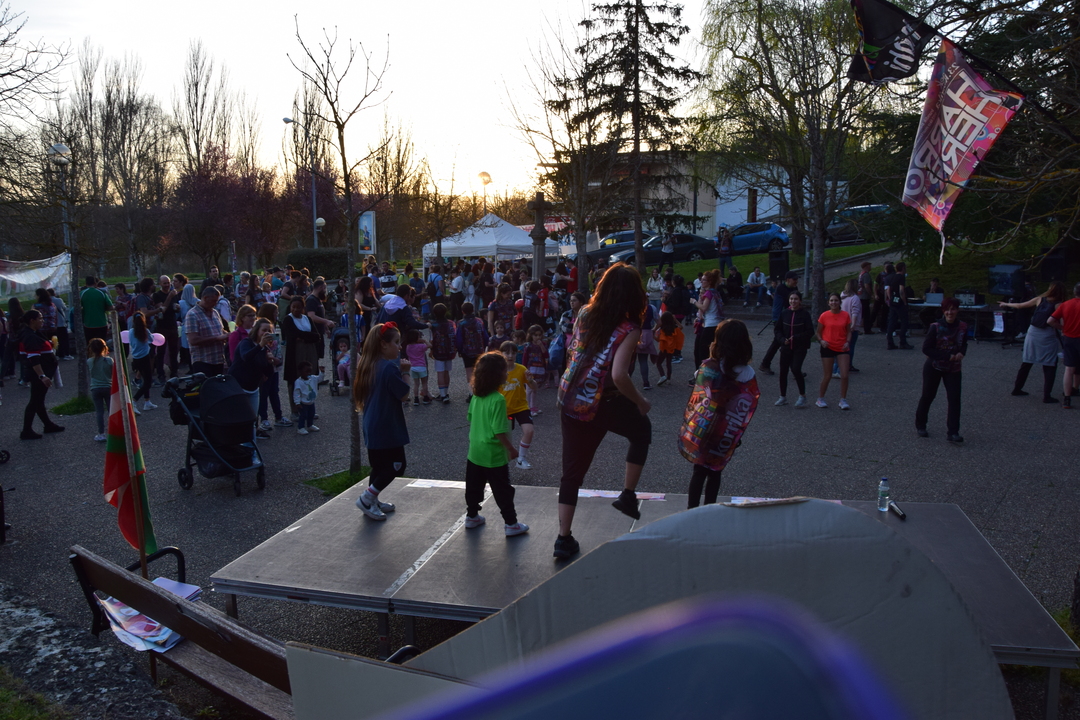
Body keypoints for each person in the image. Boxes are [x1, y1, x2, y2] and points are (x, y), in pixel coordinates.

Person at [554, 263, 651, 560]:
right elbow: (619, 375)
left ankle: (563, 539)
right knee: (642, 431)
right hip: (603, 400)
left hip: (571, 397)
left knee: (572, 473)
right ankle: (628, 494)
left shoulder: (584, 313)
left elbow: (575, 351)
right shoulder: (630, 329)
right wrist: (640, 401)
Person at [681, 319, 759, 508]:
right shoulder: (748, 373)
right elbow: (749, 402)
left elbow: (698, 390)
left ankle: (691, 510)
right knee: (715, 471)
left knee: (698, 471)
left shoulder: (709, 366)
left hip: (703, 427)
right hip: (727, 430)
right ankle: (710, 509)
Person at [464, 352, 530, 536]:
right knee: (502, 490)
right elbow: (499, 430)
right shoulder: (499, 399)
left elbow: (471, 417)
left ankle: (472, 516)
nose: (507, 373)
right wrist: (511, 449)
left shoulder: (476, 397)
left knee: (473, 486)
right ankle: (511, 524)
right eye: (504, 370)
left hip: (475, 452)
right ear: (496, 375)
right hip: (493, 454)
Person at [353, 322, 411, 520]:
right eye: (396, 342)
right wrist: (406, 371)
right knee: (397, 465)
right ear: (383, 344)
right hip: (387, 427)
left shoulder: (368, 366)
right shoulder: (388, 369)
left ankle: (372, 500)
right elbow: (404, 395)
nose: (399, 347)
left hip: (373, 425)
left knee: (378, 467)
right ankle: (367, 498)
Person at [1001, 281, 1066, 403]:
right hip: (1047, 334)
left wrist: (1006, 304)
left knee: (1027, 362)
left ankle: (1017, 388)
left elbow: (1020, 306)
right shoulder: (1059, 305)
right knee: (1050, 364)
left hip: (1032, 332)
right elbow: (1062, 323)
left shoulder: (1039, 299)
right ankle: (1047, 395)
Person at [916, 297, 968, 440]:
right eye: (947, 310)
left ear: (957, 310)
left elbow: (964, 343)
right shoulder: (936, 327)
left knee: (954, 399)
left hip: (954, 368)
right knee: (928, 395)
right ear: (943, 311)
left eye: (953, 309)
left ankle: (953, 432)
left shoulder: (963, 326)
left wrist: (962, 353)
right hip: (934, 366)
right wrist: (947, 356)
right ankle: (921, 425)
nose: (950, 312)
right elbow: (926, 349)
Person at [18, 309, 64, 439]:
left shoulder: (33, 333)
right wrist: (42, 376)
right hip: (39, 373)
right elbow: (34, 359)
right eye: (40, 318)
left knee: (38, 400)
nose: (42, 321)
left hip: (42, 371)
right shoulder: (30, 336)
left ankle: (47, 425)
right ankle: (26, 430)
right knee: (35, 401)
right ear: (32, 321)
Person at [229, 317, 276, 440]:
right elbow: (246, 357)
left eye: (269, 331)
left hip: (253, 388)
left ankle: (251, 449)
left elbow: (268, 373)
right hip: (239, 386)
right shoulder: (247, 342)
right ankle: (239, 447)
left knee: (252, 421)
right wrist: (260, 345)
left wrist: (270, 361)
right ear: (257, 330)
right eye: (264, 330)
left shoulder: (265, 349)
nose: (266, 333)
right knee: (240, 421)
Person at [500, 340, 538, 470]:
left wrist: (530, 380)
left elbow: (534, 387)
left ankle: (521, 459)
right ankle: (499, 463)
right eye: (507, 353)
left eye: (513, 353)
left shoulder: (521, 369)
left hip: (521, 407)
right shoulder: (498, 371)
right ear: (501, 353)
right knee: (503, 437)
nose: (510, 356)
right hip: (504, 409)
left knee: (529, 431)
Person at [281, 297, 322, 418]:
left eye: (298, 307)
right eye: (293, 307)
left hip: (310, 352)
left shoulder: (307, 319)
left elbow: (317, 336)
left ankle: (309, 407)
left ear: (303, 308)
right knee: (295, 380)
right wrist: (307, 336)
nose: (295, 309)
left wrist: (303, 337)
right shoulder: (288, 319)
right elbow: (292, 335)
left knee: (309, 379)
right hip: (295, 353)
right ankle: (295, 410)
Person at [773, 291, 813, 408]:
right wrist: (782, 339)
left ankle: (802, 395)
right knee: (783, 371)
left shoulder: (805, 314)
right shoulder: (784, 313)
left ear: (800, 301)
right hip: (786, 347)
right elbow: (777, 329)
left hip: (800, 347)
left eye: (795, 299)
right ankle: (782, 396)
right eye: (791, 299)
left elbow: (810, 331)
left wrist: (796, 337)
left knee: (796, 369)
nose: (793, 301)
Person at [816, 292, 853, 410]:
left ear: (840, 302)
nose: (834, 303)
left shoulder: (845, 315)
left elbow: (849, 332)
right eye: (831, 300)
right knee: (827, 375)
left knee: (844, 375)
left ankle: (843, 399)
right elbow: (818, 332)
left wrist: (847, 342)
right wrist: (821, 341)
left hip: (842, 347)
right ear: (828, 303)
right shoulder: (824, 316)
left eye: (836, 300)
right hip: (828, 347)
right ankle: (820, 398)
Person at [758, 271, 800, 375]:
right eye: (794, 279)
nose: (796, 281)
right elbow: (787, 305)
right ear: (788, 280)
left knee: (780, 342)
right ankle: (794, 370)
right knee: (783, 342)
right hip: (780, 319)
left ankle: (765, 364)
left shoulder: (793, 288)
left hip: (788, 319)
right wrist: (777, 320)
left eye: (797, 279)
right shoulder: (781, 289)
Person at [255, 303, 288, 430]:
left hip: (274, 366)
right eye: (275, 313)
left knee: (274, 391)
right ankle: (264, 419)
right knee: (263, 393)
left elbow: (277, 347)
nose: (276, 315)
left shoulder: (272, 328)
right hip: (264, 367)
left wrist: (277, 359)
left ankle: (278, 416)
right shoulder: (259, 329)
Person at [1048, 282, 1080, 409]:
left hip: (1069, 338)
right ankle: (1075, 388)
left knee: (1069, 368)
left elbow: (1050, 321)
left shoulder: (1065, 304)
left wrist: (1062, 328)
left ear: (1074, 292)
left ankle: (1067, 398)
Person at [183, 287, 229, 376]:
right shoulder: (192, 315)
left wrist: (227, 335)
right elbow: (193, 340)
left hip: (218, 360)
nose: (215, 304)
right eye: (213, 301)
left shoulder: (215, 312)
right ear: (205, 298)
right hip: (203, 361)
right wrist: (217, 338)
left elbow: (219, 330)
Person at [690, 269, 724, 380]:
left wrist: (694, 302)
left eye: (704, 280)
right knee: (709, 350)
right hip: (715, 323)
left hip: (710, 324)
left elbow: (704, 307)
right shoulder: (715, 292)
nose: (701, 281)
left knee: (702, 352)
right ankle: (707, 374)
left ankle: (703, 376)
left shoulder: (709, 293)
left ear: (709, 282)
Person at [455, 302, 489, 399]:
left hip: (467, 351)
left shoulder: (461, 323)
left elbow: (459, 339)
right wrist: (485, 346)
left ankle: (471, 393)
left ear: (463, 311)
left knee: (469, 371)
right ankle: (480, 389)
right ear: (473, 310)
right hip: (479, 349)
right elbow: (485, 335)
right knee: (479, 370)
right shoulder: (480, 321)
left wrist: (459, 350)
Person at [128, 311, 158, 415]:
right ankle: (134, 401)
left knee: (145, 379)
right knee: (148, 382)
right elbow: (151, 340)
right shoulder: (145, 331)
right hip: (145, 358)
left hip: (136, 358)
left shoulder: (131, 331)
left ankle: (147, 402)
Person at [153, 276, 180, 381]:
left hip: (172, 325)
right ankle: (161, 374)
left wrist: (177, 308)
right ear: (160, 284)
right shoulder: (157, 295)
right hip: (162, 327)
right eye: (164, 283)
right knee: (161, 351)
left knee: (174, 350)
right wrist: (169, 297)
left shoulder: (174, 294)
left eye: (168, 282)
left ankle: (174, 372)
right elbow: (162, 309)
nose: (167, 285)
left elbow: (175, 307)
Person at [87, 337, 113, 442]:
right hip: (108, 386)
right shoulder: (109, 360)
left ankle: (101, 433)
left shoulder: (89, 361)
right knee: (111, 410)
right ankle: (114, 431)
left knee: (99, 411)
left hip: (95, 388)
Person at [836, 279, 863, 374]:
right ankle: (848, 365)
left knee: (841, 345)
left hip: (842, 324)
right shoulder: (855, 298)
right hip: (851, 325)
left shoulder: (842, 296)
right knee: (850, 346)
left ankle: (839, 365)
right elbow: (855, 312)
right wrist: (853, 324)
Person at [630, 303, 658, 390]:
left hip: (633, 333)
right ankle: (646, 383)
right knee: (643, 360)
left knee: (631, 361)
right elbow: (659, 322)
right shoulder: (652, 308)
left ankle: (627, 381)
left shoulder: (631, 307)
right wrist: (653, 329)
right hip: (646, 333)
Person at [885, 261, 913, 350]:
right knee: (904, 321)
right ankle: (902, 342)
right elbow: (901, 290)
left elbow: (888, 290)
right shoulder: (901, 277)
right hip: (900, 303)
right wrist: (904, 302)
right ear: (903, 268)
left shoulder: (891, 277)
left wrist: (891, 298)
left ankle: (890, 342)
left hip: (893, 301)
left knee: (892, 321)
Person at [522, 324, 549, 410]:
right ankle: (527, 407)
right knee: (529, 389)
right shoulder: (528, 345)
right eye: (535, 335)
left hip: (540, 369)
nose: (538, 337)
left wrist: (541, 346)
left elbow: (546, 355)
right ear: (531, 335)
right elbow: (525, 358)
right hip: (530, 369)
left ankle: (533, 406)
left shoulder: (543, 344)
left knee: (535, 389)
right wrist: (524, 369)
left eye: (539, 335)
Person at [403, 328, 432, 406]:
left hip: (413, 367)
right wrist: (424, 341)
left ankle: (416, 399)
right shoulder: (421, 346)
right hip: (422, 366)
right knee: (424, 383)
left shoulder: (408, 347)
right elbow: (430, 345)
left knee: (416, 384)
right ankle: (425, 398)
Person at [292, 361, 322, 435]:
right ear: (300, 372)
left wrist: (322, 372)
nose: (309, 373)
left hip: (311, 402)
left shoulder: (313, 378)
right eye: (306, 371)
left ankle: (310, 425)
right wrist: (297, 402)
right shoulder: (298, 382)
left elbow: (320, 379)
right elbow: (296, 393)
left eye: (310, 371)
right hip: (303, 402)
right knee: (303, 415)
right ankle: (300, 427)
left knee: (311, 414)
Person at [654, 310, 683, 385]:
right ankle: (669, 378)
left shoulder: (662, 329)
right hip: (671, 348)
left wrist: (653, 334)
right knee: (668, 363)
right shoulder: (674, 328)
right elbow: (681, 327)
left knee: (658, 363)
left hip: (663, 348)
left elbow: (658, 339)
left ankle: (662, 376)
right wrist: (675, 320)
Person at [80, 276, 113, 343]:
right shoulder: (101, 293)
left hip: (88, 323)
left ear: (86, 284)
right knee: (102, 344)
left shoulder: (82, 293)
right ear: (95, 283)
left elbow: (78, 308)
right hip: (102, 323)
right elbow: (111, 307)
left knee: (90, 344)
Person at [178, 282, 198, 371]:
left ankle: (190, 368)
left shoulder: (181, 303)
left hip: (185, 327)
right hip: (196, 326)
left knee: (187, 349)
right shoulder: (197, 302)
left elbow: (178, 315)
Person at [47, 289, 72, 360]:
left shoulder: (46, 302)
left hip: (52, 324)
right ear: (54, 293)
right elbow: (64, 308)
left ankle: (56, 354)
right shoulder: (58, 300)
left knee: (54, 340)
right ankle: (66, 354)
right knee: (64, 339)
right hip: (61, 322)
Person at [857, 261, 875, 334]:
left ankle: (858, 327)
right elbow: (866, 285)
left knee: (861, 313)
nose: (870, 267)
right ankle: (867, 329)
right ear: (866, 266)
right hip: (865, 296)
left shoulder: (861, 274)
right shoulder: (866, 275)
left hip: (860, 295)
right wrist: (871, 294)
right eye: (869, 265)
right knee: (866, 314)